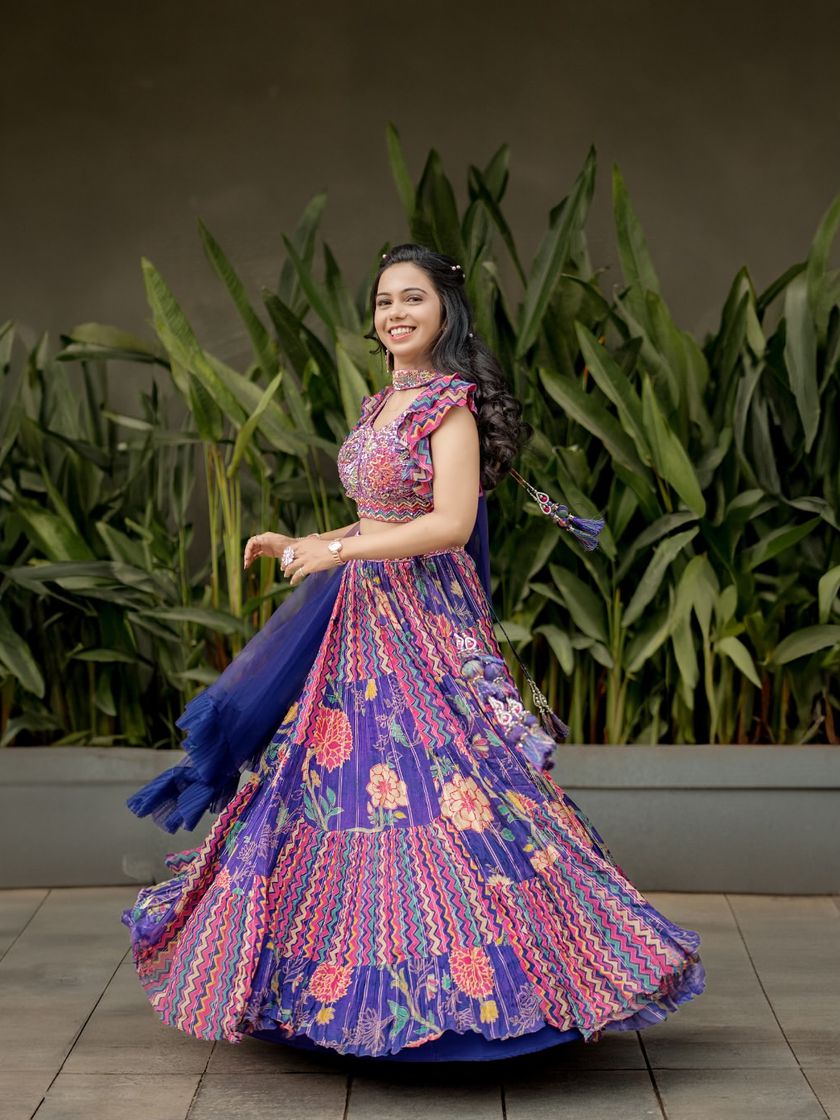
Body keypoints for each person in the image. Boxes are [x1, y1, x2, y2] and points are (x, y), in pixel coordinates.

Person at [121, 243, 705, 1062]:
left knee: (453, 789)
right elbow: (380, 519)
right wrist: (309, 540)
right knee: (341, 788)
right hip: (361, 626)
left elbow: (450, 525)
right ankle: (337, 995)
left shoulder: (450, 408)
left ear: (445, 312)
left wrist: (337, 553)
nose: (395, 314)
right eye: (384, 301)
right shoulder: (381, 405)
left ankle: (499, 994)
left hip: (426, 626)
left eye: (413, 299)